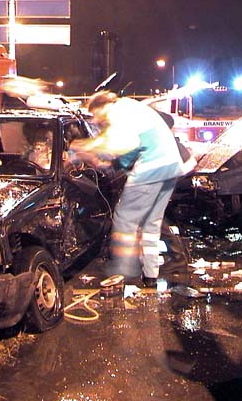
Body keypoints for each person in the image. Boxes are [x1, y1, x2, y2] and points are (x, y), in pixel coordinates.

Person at [69, 91, 185, 287]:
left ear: (103, 106)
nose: (96, 120)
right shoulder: (132, 108)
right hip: (171, 167)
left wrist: (89, 151)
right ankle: (150, 275)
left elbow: (126, 144)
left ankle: (124, 271)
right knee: (151, 224)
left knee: (125, 218)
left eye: (96, 114)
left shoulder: (117, 112)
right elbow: (129, 145)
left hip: (152, 167)